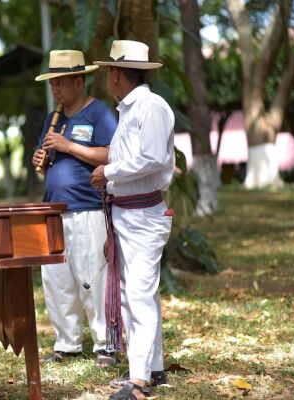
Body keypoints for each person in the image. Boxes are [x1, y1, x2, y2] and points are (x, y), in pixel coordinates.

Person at [90, 40, 175, 400]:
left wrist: (108, 172)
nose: (108, 77)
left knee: (138, 294)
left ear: (115, 74)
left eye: (109, 70)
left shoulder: (151, 107)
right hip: (126, 212)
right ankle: (150, 368)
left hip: (143, 214)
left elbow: (152, 158)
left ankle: (139, 381)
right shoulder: (129, 108)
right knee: (136, 294)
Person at [32, 50, 118, 367]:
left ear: (79, 81)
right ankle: (66, 342)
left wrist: (69, 146)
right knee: (57, 279)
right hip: (54, 210)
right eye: (53, 84)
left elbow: (111, 155)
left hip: (87, 209)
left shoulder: (99, 114)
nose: (56, 90)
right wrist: (39, 162)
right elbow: (46, 159)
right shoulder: (53, 119)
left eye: (62, 84)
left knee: (92, 276)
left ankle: (105, 344)